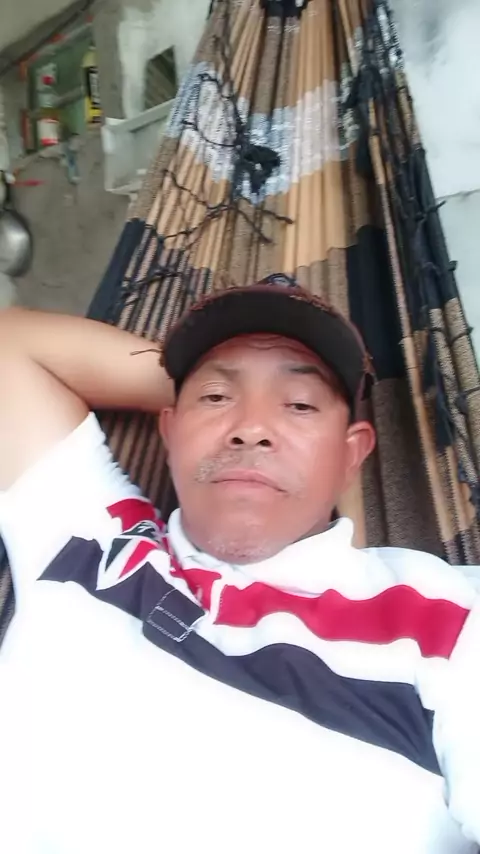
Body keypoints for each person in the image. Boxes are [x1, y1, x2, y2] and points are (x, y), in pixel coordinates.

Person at [0, 282, 478, 854]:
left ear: (352, 453)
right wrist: (194, 385)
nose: (251, 427)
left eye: (300, 405)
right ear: (168, 430)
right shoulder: (93, 533)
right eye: (216, 398)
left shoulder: (442, 614)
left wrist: (216, 392)